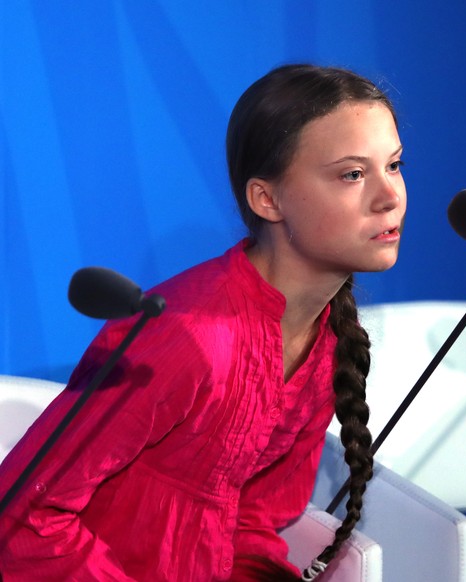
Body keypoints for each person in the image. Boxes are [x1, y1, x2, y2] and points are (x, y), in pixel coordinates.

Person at [0, 63, 406, 581]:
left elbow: (256, 522)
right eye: (352, 174)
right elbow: (21, 517)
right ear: (267, 198)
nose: (390, 196)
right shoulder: (190, 339)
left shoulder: (328, 343)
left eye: (393, 165)